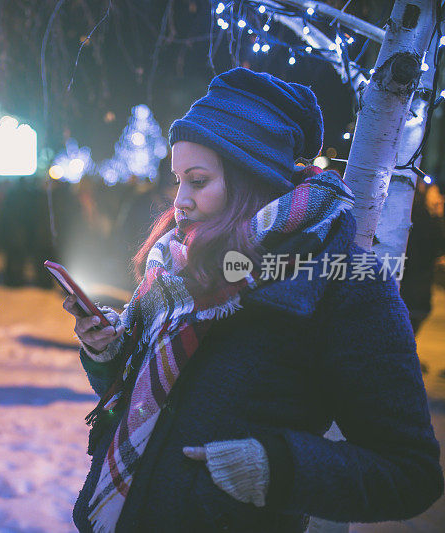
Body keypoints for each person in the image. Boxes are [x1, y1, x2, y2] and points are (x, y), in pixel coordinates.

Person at [64, 68, 443, 532]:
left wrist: (274, 468)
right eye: (178, 179)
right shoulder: (178, 261)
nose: (179, 200)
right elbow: (145, 397)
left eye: (197, 180)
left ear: (252, 176)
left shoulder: (341, 281)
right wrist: (107, 350)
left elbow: (410, 472)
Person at [400, 179, 445, 334]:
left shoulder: (422, 215)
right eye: (436, 192)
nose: (439, 197)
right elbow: (437, 245)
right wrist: (438, 215)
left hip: (416, 281)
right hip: (413, 282)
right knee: (412, 319)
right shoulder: (421, 216)